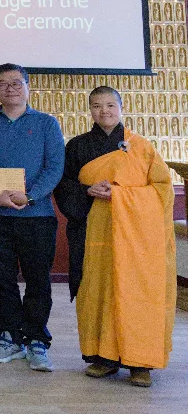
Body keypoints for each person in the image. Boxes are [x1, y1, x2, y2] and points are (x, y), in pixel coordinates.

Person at [54, 86, 176, 387]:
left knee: (136, 293)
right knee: (95, 291)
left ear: (121, 107)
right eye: (97, 106)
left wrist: (120, 196)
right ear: (90, 110)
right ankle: (103, 357)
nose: (104, 111)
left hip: (135, 239)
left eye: (110, 105)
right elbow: (64, 185)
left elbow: (162, 190)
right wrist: (87, 191)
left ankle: (139, 361)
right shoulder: (77, 146)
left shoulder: (141, 147)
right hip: (91, 233)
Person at [0, 63, 64, 372]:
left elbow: (54, 167)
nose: (10, 88)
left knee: (38, 280)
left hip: (36, 215)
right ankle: (8, 336)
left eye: (16, 83)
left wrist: (31, 195)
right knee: (3, 279)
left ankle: (37, 339)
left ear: (27, 85)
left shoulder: (47, 124)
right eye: (2, 84)